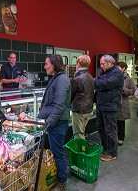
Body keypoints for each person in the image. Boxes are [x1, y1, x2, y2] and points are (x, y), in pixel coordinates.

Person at [38, 54, 71, 191]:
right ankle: (59, 177)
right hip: (54, 122)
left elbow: (59, 106)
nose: (45, 66)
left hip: (58, 123)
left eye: (47, 64)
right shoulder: (56, 78)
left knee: (58, 153)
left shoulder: (62, 80)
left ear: (54, 65)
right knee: (56, 151)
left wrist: (49, 122)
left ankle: (62, 182)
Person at [95, 55, 123, 162]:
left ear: (110, 63)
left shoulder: (117, 73)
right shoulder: (104, 72)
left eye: (103, 64)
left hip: (110, 106)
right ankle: (104, 149)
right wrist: (100, 83)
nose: (101, 66)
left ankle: (112, 152)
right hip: (101, 104)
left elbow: (106, 84)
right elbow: (97, 82)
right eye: (101, 64)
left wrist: (100, 83)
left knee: (110, 130)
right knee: (101, 128)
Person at [70, 55, 94, 139]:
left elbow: (70, 95)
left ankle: (80, 151)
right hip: (88, 109)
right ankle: (82, 149)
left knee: (78, 134)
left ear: (78, 64)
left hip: (79, 110)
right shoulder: (90, 77)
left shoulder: (77, 79)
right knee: (82, 132)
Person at [116, 62, 136, 146]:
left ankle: (120, 138)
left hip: (122, 103)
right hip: (112, 102)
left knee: (120, 122)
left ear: (123, 68)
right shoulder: (113, 77)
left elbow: (132, 91)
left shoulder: (129, 79)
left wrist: (123, 89)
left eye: (118, 67)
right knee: (112, 122)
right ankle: (113, 137)